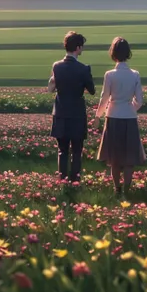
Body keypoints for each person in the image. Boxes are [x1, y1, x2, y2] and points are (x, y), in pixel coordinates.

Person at [94, 36, 146, 197]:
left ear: (113, 54)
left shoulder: (110, 75)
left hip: (113, 116)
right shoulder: (135, 74)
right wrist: (130, 108)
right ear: (128, 53)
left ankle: (117, 189)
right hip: (130, 118)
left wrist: (98, 115)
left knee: (114, 157)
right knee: (130, 157)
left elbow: (104, 98)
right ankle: (127, 190)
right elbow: (140, 100)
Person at [48, 31, 95, 182]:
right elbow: (92, 90)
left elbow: (52, 87)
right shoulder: (84, 68)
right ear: (78, 48)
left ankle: (62, 178)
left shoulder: (56, 66)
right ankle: (75, 180)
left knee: (62, 150)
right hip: (77, 114)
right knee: (77, 150)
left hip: (60, 112)